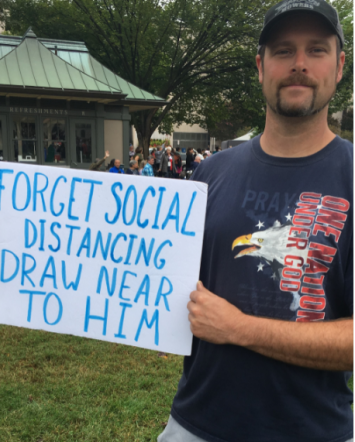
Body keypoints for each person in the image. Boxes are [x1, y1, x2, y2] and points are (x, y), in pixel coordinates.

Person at [158, 1, 353, 442]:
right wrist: (37, 271)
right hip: (196, 425)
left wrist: (240, 329)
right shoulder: (210, 172)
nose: (299, 64)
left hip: (314, 431)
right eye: (283, 50)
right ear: (260, 66)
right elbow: (159, 281)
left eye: (316, 50)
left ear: (339, 66)